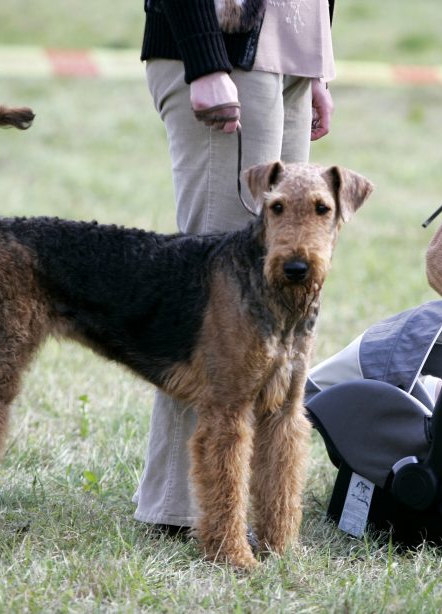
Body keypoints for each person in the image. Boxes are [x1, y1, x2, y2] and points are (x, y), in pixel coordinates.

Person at [132, 0, 336, 532]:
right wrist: (204, 59)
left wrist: (316, 62)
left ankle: (267, 517)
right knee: (217, 313)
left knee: (280, 315)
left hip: (290, 55)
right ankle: (183, 508)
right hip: (225, 52)